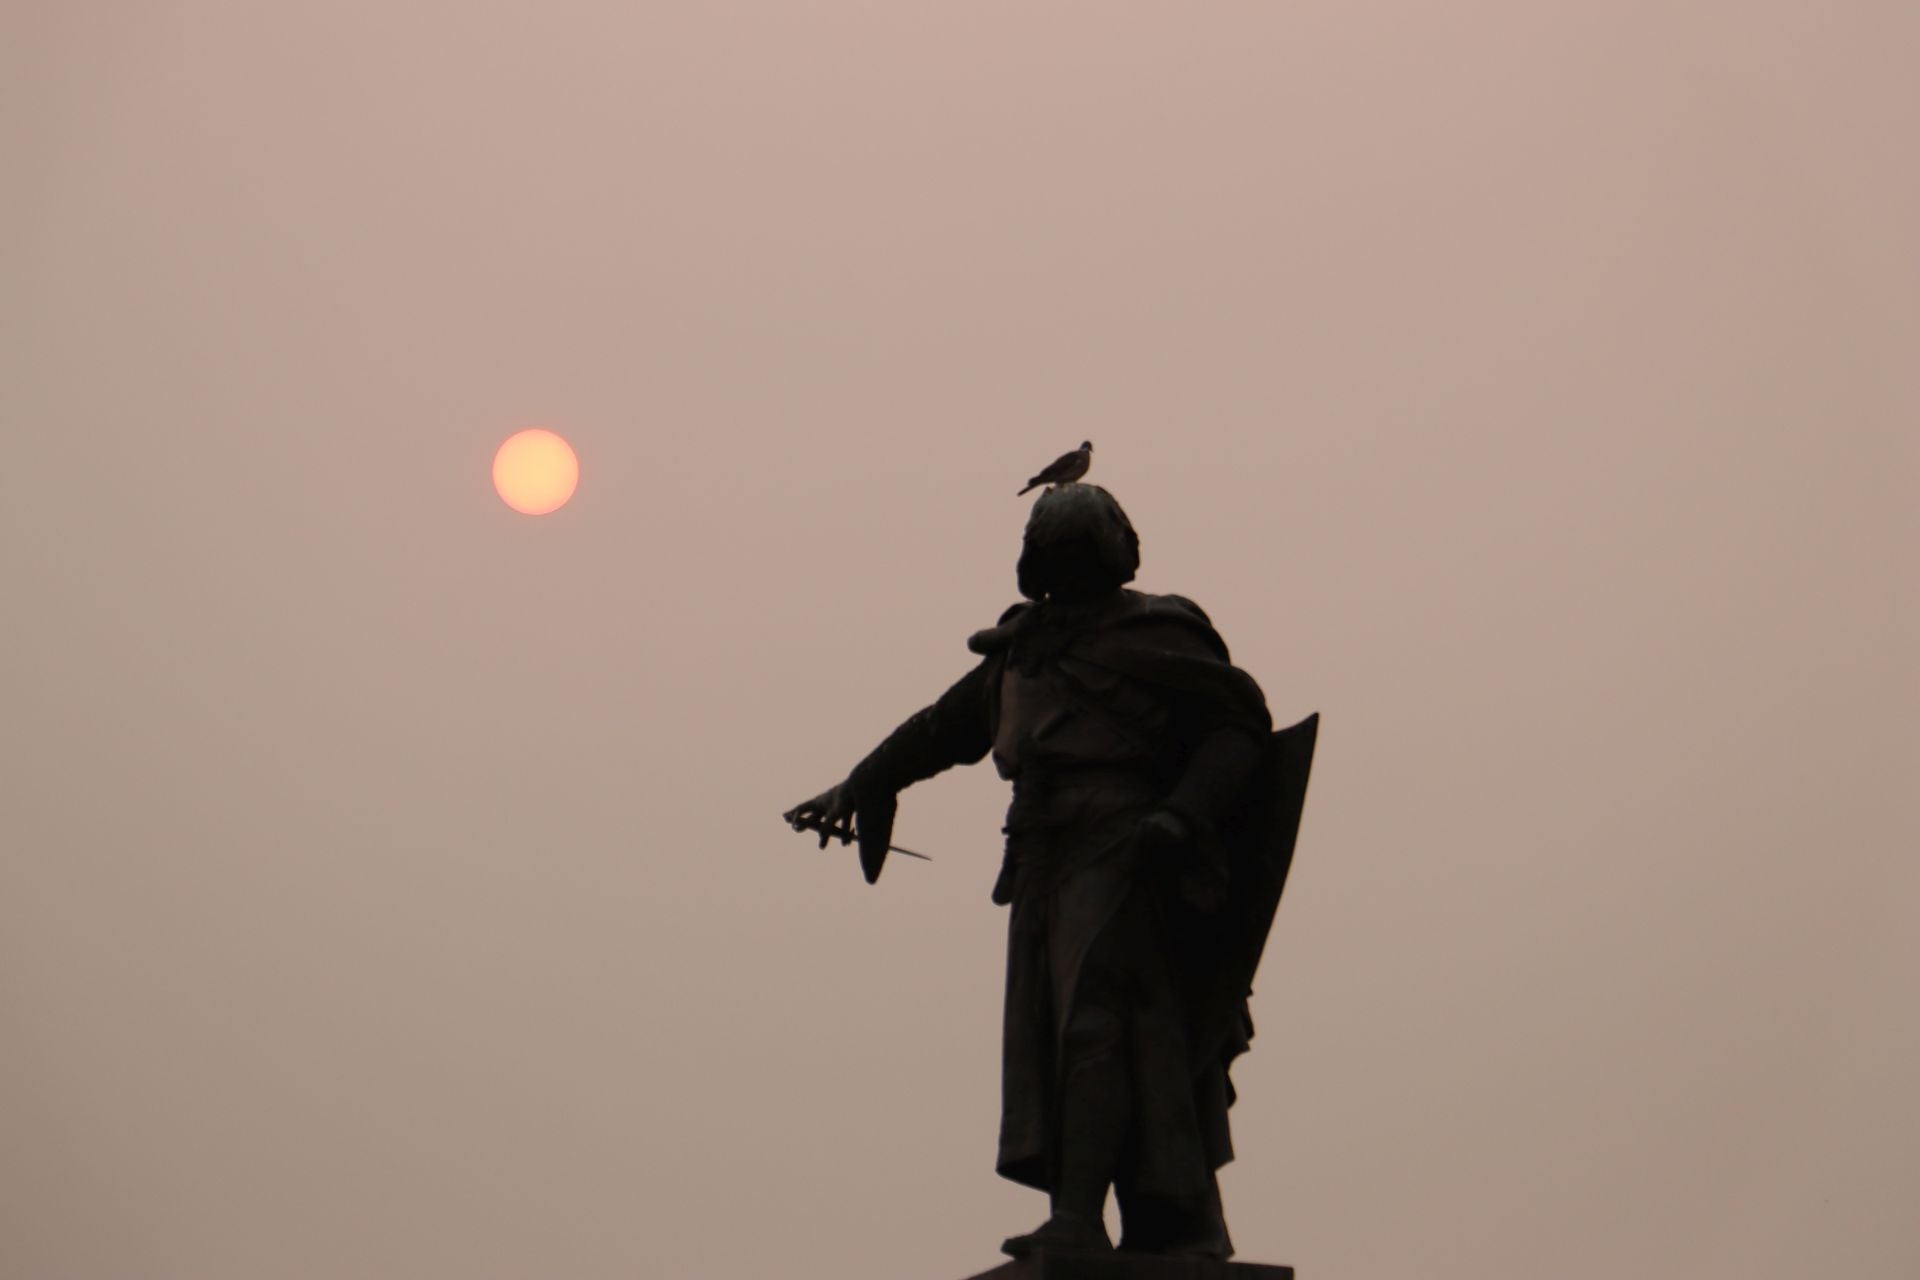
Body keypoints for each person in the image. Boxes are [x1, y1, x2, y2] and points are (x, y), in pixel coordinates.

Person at [785, 484, 1308, 1259]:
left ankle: (1077, 1219)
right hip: (1042, 861)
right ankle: (1168, 1219)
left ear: (1114, 552)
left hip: (1130, 856)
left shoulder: (1160, 631)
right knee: (1068, 1038)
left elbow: (1237, 731)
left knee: (1098, 1024)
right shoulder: (1021, 649)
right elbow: (944, 728)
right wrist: (866, 781)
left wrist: (1183, 815)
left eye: (1079, 550)